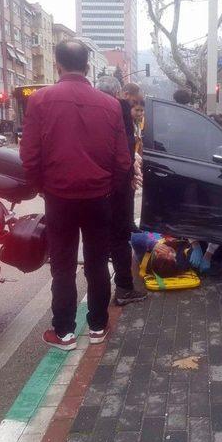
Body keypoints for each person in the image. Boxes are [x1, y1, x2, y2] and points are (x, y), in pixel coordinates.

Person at [20, 40, 132, 350]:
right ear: (87, 67)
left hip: (59, 197)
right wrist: (111, 189)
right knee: (97, 262)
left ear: (57, 65)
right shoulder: (110, 105)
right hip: (99, 198)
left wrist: (41, 185)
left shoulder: (40, 100)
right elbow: (123, 160)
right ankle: (97, 326)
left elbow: (29, 155)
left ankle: (64, 331)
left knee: (63, 264)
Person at [96, 76, 148, 305]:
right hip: (115, 188)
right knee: (118, 239)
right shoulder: (118, 111)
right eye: (133, 101)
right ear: (120, 93)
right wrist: (126, 180)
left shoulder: (89, 110)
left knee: (95, 242)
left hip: (88, 188)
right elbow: (123, 152)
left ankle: (97, 302)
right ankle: (124, 289)